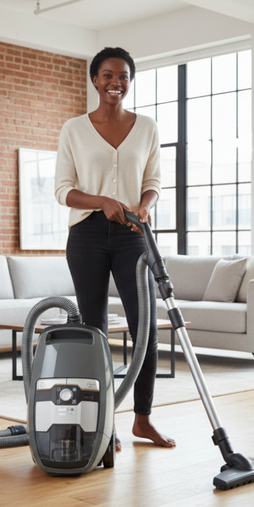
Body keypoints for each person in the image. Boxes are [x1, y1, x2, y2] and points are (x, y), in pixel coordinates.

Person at [54, 47, 175, 451]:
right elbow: (62, 191)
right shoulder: (73, 129)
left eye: (122, 76)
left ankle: (143, 419)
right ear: (94, 80)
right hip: (86, 236)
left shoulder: (147, 127)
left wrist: (145, 205)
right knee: (95, 330)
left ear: (129, 81)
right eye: (107, 75)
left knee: (146, 328)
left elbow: (154, 180)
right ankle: (103, 422)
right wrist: (102, 202)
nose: (115, 83)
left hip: (132, 236)